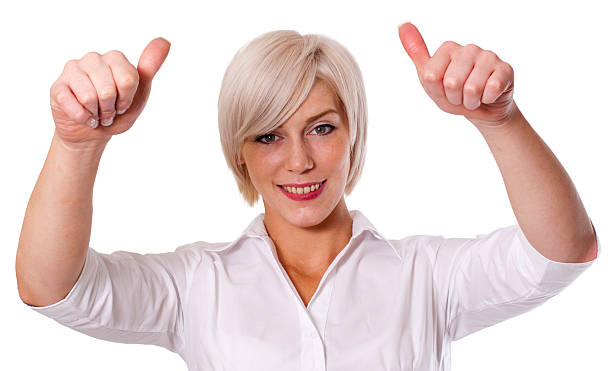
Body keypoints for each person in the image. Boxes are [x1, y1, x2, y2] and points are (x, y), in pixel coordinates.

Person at [16, 22, 600, 370]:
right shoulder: (196, 285)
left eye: (322, 128)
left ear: (353, 135)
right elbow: (52, 289)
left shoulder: (428, 276)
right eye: (268, 135)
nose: (298, 160)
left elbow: (563, 250)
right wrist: (77, 144)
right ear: (239, 149)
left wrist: (501, 121)